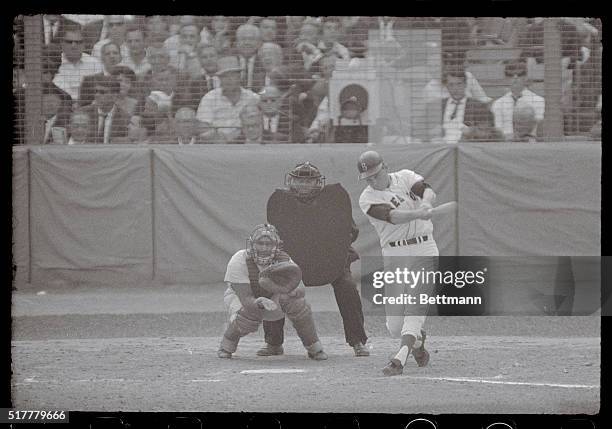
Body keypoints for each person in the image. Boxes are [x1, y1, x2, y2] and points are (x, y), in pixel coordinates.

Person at [263, 162, 369, 357]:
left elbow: (349, 232)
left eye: (309, 181)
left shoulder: (333, 201)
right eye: (300, 181)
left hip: (331, 260)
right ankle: (273, 342)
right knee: (272, 289)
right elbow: (274, 235)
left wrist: (328, 248)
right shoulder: (281, 203)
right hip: (291, 260)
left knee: (347, 287)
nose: (304, 185)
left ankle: (358, 341)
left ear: (317, 183)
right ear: (291, 182)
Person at [357, 150, 437, 376]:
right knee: (394, 326)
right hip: (394, 254)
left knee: (415, 303)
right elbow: (392, 216)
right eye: (368, 178)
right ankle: (418, 343)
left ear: (385, 167)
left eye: (375, 174)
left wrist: (426, 204)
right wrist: (417, 214)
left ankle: (399, 358)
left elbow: (427, 190)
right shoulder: (367, 198)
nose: (373, 180)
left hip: (424, 248)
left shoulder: (405, 177)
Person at [217, 223, 328, 360]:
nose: (264, 248)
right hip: (242, 297)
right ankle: (227, 345)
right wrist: (257, 302)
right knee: (249, 314)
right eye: (260, 243)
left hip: (272, 297)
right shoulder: (239, 260)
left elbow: (301, 290)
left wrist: (290, 291)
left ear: (276, 246)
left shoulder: (284, 260)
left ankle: (314, 347)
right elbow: (245, 298)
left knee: (298, 305)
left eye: (268, 244)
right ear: (252, 244)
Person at [196, 55, 259, 142]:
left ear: (239, 77)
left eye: (232, 75)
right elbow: (202, 127)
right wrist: (220, 138)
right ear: (219, 79)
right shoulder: (209, 98)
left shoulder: (253, 98)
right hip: (217, 146)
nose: (229, 80)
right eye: (224, 76)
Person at [491, 60, 545, 140]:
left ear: (526, 77)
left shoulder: (539, 101)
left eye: (520, 74)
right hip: (505, 143)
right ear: (505, 78)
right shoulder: (498, 103)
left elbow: (538, 126)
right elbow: (498, 128)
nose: (515, 77)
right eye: (510, 75)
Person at [52, 25, 103, 102]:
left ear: (84, 44)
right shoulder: (54, 62)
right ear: (61, 43)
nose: (74, 46)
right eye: (69, 42)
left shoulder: (94, 63)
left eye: (78, 42)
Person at [81, 75, 129, 144]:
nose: (97, 95)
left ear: (114, 96)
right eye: (96, 91)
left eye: (102, 92)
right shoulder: (83, 113)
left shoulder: (125, 118)